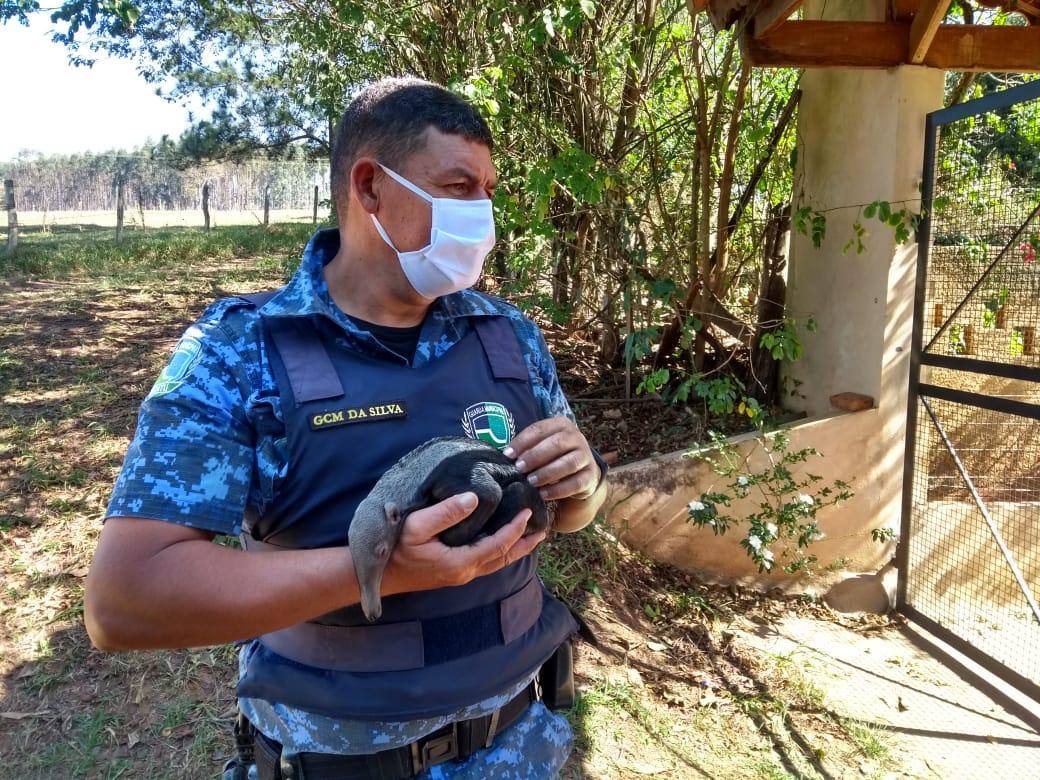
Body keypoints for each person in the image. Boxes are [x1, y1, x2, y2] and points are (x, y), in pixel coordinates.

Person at [85, 76, 609, 779]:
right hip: (343, 761)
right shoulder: (242, 353)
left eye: (488, 191)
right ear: (369, 187)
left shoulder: (507, 334)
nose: (482, 214)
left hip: (525, 743)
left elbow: (574, 512)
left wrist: (583, 482)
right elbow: (124, 602)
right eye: (458, 187)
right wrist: (375, 570)